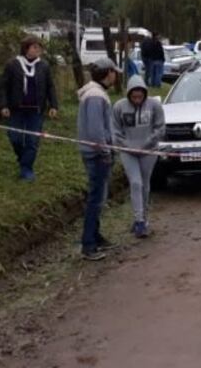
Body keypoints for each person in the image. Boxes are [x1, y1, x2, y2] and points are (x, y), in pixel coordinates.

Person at [77, 58, 121, 261]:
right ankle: (88, 244)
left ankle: (95, 235)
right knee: (96, 199)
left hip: (96, 153)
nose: (115, 76)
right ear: (108, 72)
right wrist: (106, 152)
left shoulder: (97, 94)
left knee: (99, 197)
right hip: (96, 155)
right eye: (114, 72)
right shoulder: (95, 96)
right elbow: (96, 131)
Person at [112, 74, 165, 238]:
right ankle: (139, 220)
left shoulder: (154, 105)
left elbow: (160, 128)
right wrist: (127, 146)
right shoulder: (119, 107)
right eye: (133, 97)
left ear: (145, 94)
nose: (137, 99)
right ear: (128, 94)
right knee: (135, 183)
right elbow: (115, 130)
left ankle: (143, 217)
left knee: (144, 185)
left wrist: (147, 144)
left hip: (148, 151)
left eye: (140, 96)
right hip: (128, 152)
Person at [0, 36, 59, 181]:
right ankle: (23, 159)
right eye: (34, 47)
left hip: (35, 111)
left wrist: (53, 105)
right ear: (26, 48)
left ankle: (26, 169)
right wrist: (4, 105)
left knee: (32, 141)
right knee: (15, 138)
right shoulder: (13, 65)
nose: (38, 50)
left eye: (39, 47)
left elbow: (50, 86)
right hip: (16, 109)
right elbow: (3, 87)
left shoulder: (43, 66)